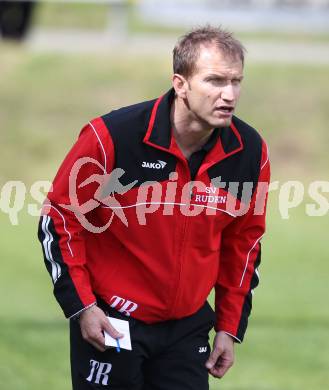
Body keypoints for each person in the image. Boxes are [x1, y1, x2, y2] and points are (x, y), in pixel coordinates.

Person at [38, 25, 270, 390]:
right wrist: (83, 307)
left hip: (187, 327)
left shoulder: (250, 151)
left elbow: (244, 245)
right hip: (112, 321)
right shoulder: (113, 137)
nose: (229, 94)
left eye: (236, 81)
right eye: (214, 81)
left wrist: (228, 327)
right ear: (180, 84)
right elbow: (60, 219)